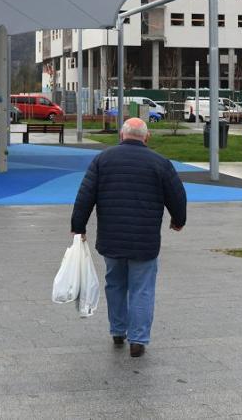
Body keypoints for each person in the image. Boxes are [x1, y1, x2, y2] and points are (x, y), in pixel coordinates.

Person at [70, 117, 186, 357]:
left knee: (115, 284)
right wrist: (178, 220)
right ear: (147, 137)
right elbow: (177, 196)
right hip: (145, 241)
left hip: (111, 239)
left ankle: (117, 330)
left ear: (121, 136)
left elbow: (85, 195)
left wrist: (78, 226)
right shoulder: (160, 163)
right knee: (142, 289)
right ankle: (138, 340)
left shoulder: (102, 160)